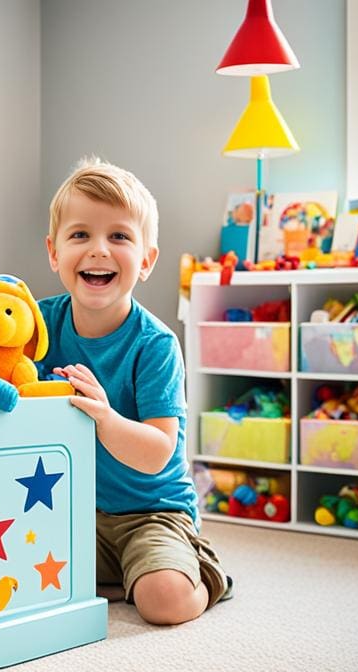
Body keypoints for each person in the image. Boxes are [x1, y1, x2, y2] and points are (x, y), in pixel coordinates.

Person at [38, 157, 231, 626]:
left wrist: (107, 418)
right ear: (54, 252)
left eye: (119, 237)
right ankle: (114, 579)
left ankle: (200, 572)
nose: (99, 250)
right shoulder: (39, 324)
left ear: (146, 260)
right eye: (80, 235)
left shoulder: (155, 345)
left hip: (151, 513)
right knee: (9, 569)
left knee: (164, 602)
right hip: (69, 507)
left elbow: (158, 454)